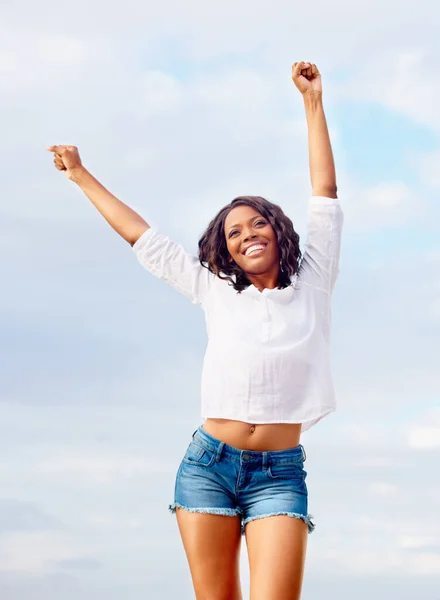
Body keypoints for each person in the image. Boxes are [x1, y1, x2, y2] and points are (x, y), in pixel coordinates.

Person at [47, 60, 343, 600]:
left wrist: (312, 102)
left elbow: (324, 192)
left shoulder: (314, 281)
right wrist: (81, 175)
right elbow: (143, 238)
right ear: (223, 248)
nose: (247, 234)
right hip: (208, 465)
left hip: (279, 474)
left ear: (278, 232)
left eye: (257, 223)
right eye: (233, 232)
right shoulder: (213, 290)